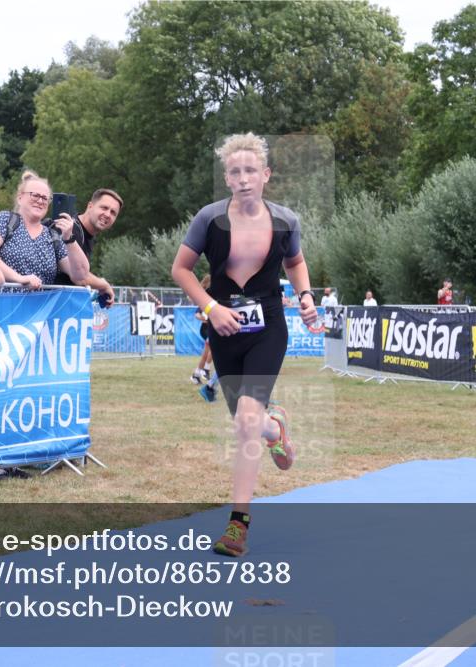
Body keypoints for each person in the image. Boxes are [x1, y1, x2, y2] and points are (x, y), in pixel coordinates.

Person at [171, 132, 316, 557]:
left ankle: (238, 525)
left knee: (246, 421)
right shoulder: (209, 219)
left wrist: (306, 296)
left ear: (266, 174)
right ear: (227, 178)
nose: (243, 178)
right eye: (235, 172)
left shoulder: (285, 220)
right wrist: (211, 307)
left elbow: (295, 261)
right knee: (248, 423)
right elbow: (180, 269)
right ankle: (276, 428)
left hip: (268, 329)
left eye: (251, 170)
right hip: (225, 330)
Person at [0, 170, 90, 289]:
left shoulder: (52, 236)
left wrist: (70, 239)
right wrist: (19, 278)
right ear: (20, 198)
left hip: (42, 301)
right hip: (4, 299)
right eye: (35, 195)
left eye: (45, 198)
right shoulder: (5, 220)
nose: (40, 201)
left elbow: (81, 275)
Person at [62, 188, 123, 306]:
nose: (107, 214)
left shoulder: (88, 236)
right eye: (104, 208)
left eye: (113, 213)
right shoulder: (69, 229)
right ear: (90, 206)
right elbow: (79, 276)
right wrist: (103, 284)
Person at [192, 275, 215, 385]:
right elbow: (197, 314)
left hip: (213, 328)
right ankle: (204, 370)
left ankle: (197, 374)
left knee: (210, 352)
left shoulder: (215, 296)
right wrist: (204, 319)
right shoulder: (206, 298)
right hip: (207, 329)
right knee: (210, 351)